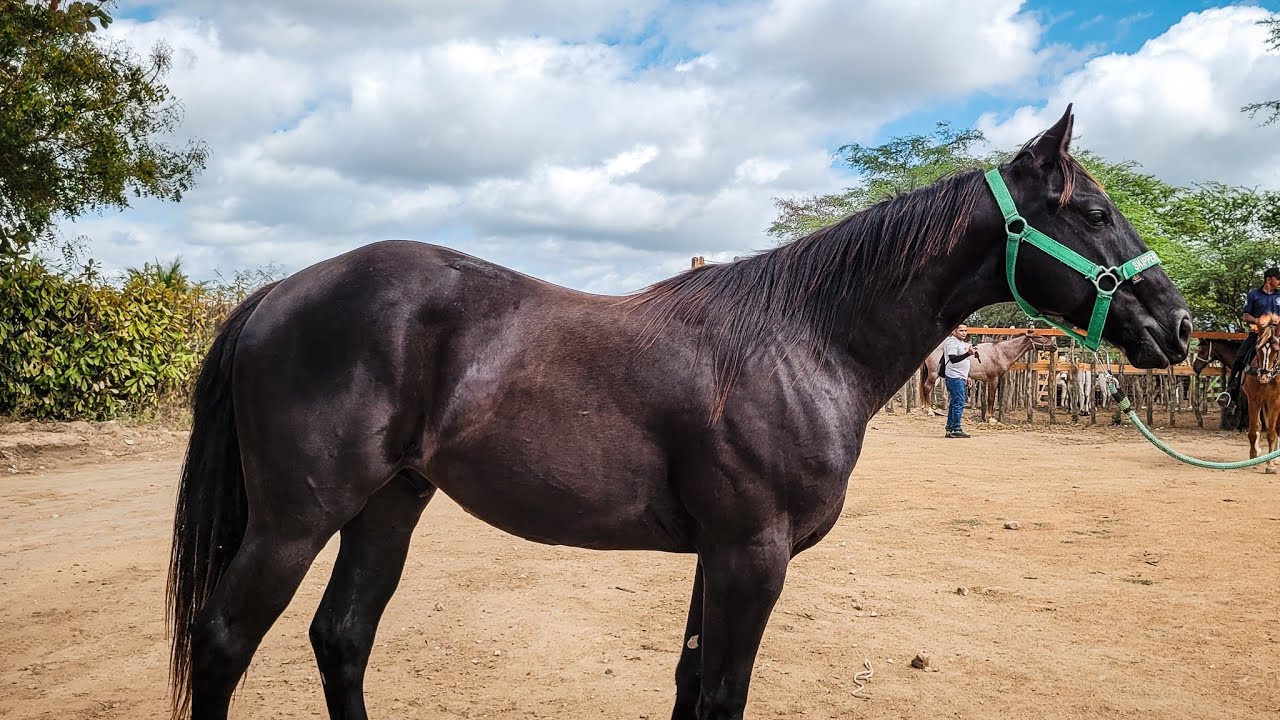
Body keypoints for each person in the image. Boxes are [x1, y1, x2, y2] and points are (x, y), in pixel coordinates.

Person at [1218, 266, 1280, 408]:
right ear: (1268, 279)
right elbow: (1246, 316)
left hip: (1278, 335)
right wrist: (1257, 321)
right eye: (1277, 279)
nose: (1279, 282)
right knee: (1240, 358)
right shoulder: (1254, 294)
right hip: (1257, 334)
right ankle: (1230, 392)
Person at [941, 324, 980, 438]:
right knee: (959, 402)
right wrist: (968, 353)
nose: (964, 333)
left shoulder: (962, 343)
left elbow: (964, 361)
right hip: (954, 376)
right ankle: (956, 428)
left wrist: (967, 376)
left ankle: (950, 428)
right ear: (954, 331)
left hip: (960, 376)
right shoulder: (951, 342)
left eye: (965, 330)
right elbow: (953, 359)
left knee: (955, 402)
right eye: (961, 330)